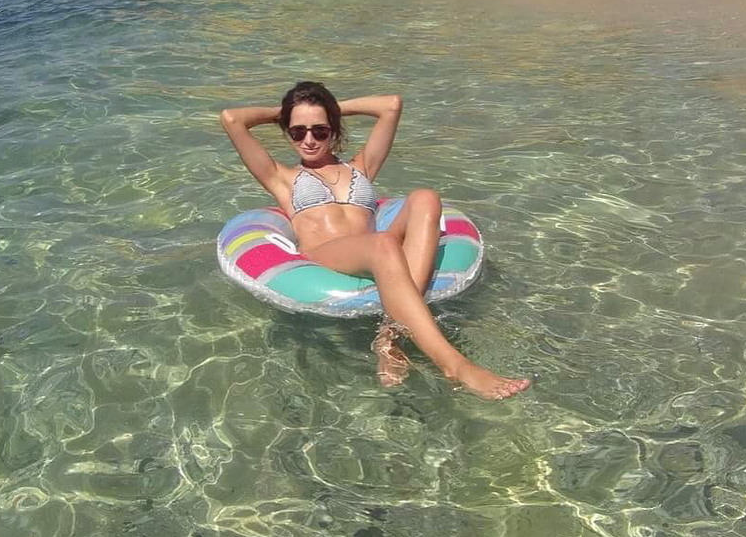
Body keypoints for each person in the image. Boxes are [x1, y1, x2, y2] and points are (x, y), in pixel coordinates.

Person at [220, 82, 531, 399]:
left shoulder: (361, 167)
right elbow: (232, 119)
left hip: (377, 247)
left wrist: (330, 106)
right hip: (326, 254)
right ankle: (454, 364)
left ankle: (389, 336)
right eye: (298, 132)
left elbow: (390, 105)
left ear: (334, 130)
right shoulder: (281, 177)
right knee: (382, 243)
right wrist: (287, 112)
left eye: (320, 130)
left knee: (425, 197)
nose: (309, 140)